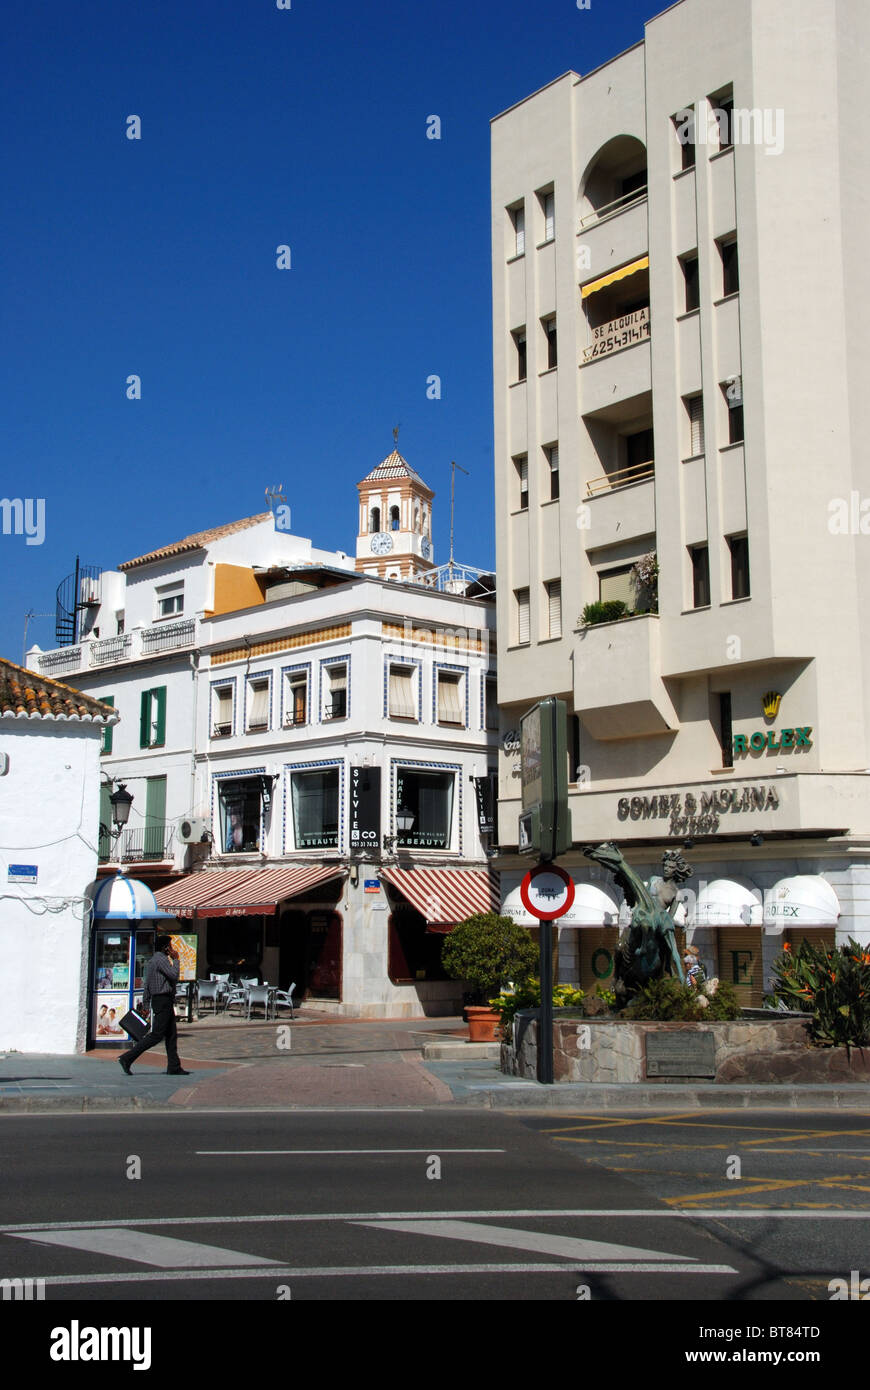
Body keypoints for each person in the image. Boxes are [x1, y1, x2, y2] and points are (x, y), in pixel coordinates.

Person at [119, 936, 189, 1075]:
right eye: (170, 945)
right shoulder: (161, 960)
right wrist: (176, 960)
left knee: (171, 1035)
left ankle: (174, 1066)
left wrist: (146, 1003)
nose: (172, 948)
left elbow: (147, 985)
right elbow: (174, 975)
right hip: (163, 1000)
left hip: (161, 1000)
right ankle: (127, 1058)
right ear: (165, 948)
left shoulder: (152, 961)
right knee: (156, 1035)